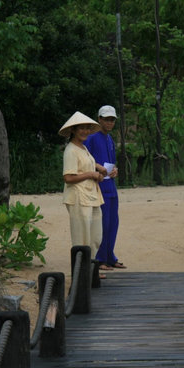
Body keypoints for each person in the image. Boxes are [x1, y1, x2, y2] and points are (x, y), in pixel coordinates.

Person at [59, 111, 108, 277]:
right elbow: (68, 177)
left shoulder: (84, 148)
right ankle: (81, 275)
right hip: (78, 197)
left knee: (95, 237)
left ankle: (91, 270)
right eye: (81, 128)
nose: (85, 131)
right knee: (82, 238)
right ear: (73, 130)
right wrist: (91, 174)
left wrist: (100, 169)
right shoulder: (71, 150)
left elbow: (87, 165)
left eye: (87, 128)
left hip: (92, 196)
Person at [84, 105, 126, 270]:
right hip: (99, 186)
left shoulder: (109, 139)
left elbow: (111, 162)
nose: (109, 122)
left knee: (113, 222)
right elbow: (86, 159)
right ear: (99, 119)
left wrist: (114, 170)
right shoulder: (92, 138)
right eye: (106, 119)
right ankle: (100, 259)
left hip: (111, 186)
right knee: (102, 223)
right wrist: (99, 168)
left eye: (112, 120)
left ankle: (109, 256)